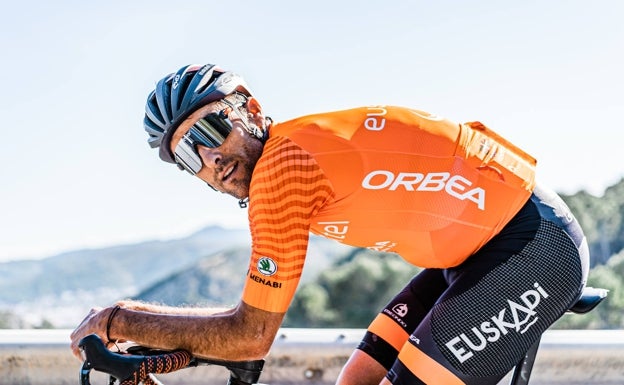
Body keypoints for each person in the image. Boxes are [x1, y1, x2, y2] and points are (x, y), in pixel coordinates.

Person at [70, 63, 590, 385]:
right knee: (358, 379)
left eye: (212, 128)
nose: (210, 158)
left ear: (249, 110)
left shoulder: (282, 167)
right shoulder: (290, 156)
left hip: (534, 249)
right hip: (475, 255)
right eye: (188, 154)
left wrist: (119, 320)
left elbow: (249, 338)